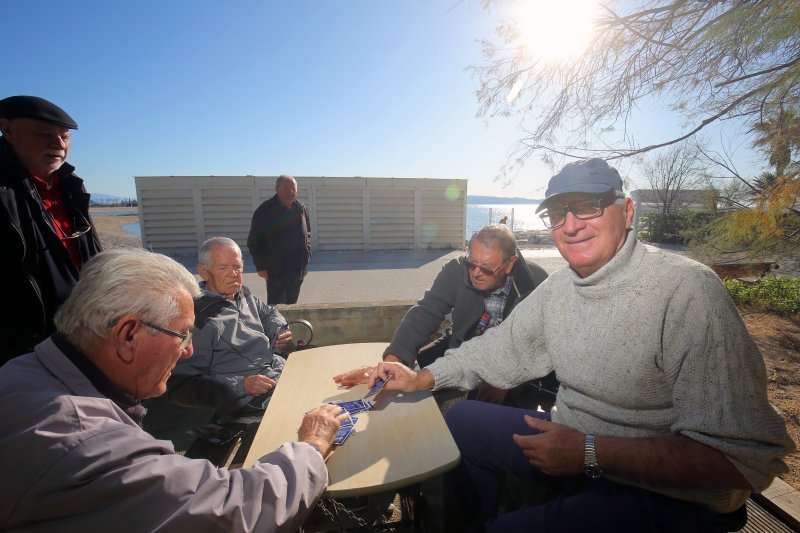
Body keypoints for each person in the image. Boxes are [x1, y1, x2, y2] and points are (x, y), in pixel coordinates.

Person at [340, 159, 795, 531]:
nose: (571, 225)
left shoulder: (687, 292)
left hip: (668, 495)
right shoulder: (560, 290)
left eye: (589, 207)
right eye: (559, 214)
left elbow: (740, 461)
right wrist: (420, 374)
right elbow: (497, 348)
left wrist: (589, 451)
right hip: (574, 449)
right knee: (459, 419)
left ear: (628, 211)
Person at [0, 249, 347, 532]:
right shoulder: (89, 444)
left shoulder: (19, 373)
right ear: (128, 336)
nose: (187, 349)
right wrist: (313, 446)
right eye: (182, 335)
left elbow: (269, 314)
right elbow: (233, 511)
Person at [337, 223, 552, 406]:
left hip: (513, 363)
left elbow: (537, 344)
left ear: (510, 264)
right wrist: (395, 361)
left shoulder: (535, 283)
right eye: (472, 263)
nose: (476, 273)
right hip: (458, 347)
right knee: (403, 378)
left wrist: (507, 379)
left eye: (487, 269)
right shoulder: (456, 270)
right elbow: (426, 312)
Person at [0, 95, 102, 363]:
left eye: (65, 137)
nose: (58, 145)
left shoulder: (70, 185)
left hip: (80, 332)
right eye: (44, 135)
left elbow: (90, 250)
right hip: (23, 346)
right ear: (7, 130)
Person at [168, 237, 293, 421]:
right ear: (204, 272)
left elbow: (268, 313)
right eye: (223, 268)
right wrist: (242, 385)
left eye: (237, 267)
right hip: (248, 398)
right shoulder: (195, 320)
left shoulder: (243, 293)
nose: (234, 274)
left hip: (276, 368)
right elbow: (181, 385)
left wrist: (278, 329)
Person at [247, 175, 312, 304]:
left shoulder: (301, 209)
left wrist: (306, 255)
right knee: (276, 306)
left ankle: (290, 324)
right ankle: (276, 325)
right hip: (276, 270)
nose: (291, 192)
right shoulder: (265, 210)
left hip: (297, 269)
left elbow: (307, 233)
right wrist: (261, 266)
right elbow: (254, 241)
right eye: (286, 188)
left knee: (292, 304)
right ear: (277, 189)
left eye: (294, 189)